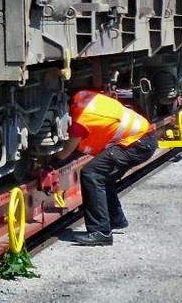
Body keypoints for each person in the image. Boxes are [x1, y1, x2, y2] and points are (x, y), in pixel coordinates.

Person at [54, 89, 157, 246]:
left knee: (91, 173)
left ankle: (100, 232)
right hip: (144, 139)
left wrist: (52, 161)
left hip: (138, 143)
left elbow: (65, 152)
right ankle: (116, 219)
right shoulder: (83, 96)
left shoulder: (80, 121)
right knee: (104, 176)